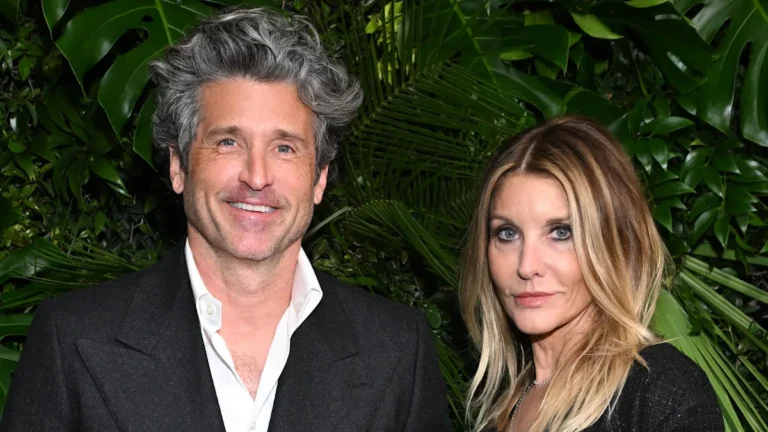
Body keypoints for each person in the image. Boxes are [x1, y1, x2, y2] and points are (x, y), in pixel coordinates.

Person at [0, 7, 450, 432]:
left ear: (319, 179)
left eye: (285, 147)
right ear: (178, 166)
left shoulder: (396, 350)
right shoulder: (72, 339)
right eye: (228, 142)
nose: (256, 176)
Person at [460, 116, 724, 432]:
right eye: (507, 233)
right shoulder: (505, 406)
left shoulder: (660, 392)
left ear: (616, 243)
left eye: (560, 232)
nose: (527, 265)